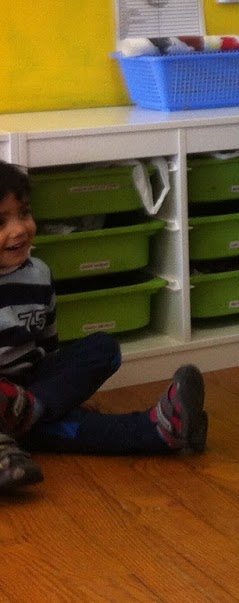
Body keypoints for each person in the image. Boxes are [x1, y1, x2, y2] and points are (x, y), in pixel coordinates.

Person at [0, 161, 206, 488]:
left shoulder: (38, 273)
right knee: (70, 427)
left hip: (32, 386)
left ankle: (29, 413)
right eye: (1, 222)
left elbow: (49, 346)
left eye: (24, 213)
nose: (19, 229)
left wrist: (57, 394)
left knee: (104, 349)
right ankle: (159, 430)